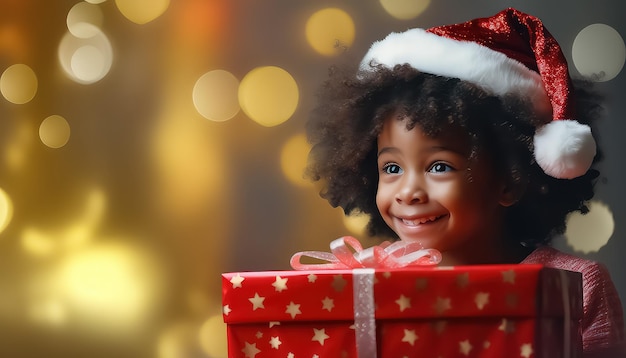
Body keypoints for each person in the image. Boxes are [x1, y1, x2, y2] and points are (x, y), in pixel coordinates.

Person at [304, 7, 625, 357]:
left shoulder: (576, 283)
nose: (408, 192)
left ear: (509, 181)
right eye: (392, 169)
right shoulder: (374, 285)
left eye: (439, 167)